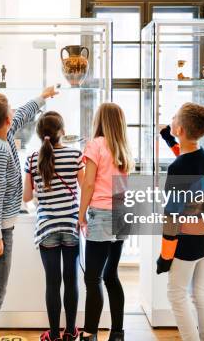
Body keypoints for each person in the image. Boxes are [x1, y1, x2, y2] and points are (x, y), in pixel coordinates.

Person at [0, 87, 59, 341]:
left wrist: (41, 97)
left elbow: (21, 115)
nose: (14, 113)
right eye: (10, 110)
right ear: (6, 121)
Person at [156, 103, 204, 341]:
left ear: (181, 130)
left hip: (189, 239)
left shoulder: (178, 168)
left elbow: (171, 216)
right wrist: (167, 137)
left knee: (176, 294)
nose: (170, 119)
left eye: (173, 118)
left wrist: (165, 256)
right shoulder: (203, 156)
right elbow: (184, 157)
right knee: (200, 293)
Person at [23, 111, 84, 341]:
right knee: (71, 280)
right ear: (63, 132)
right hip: (70, 225)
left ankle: (54, 335)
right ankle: (70, 332)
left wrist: (43, 192)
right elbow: (84, 189)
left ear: (40, 134)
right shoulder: (76, 155)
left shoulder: (32, 159)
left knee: (52, 282)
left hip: (46, 226)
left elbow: (27, 197)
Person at [78, 103, 133, 341]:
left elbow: (89, 183)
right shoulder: (124, 147)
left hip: (101, 214)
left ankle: (89, 334)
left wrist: (81, 214)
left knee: (93, 278)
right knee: (111, 275)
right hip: (122, 214)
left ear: (99, 120)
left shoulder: (96, 145)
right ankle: (117, 333)